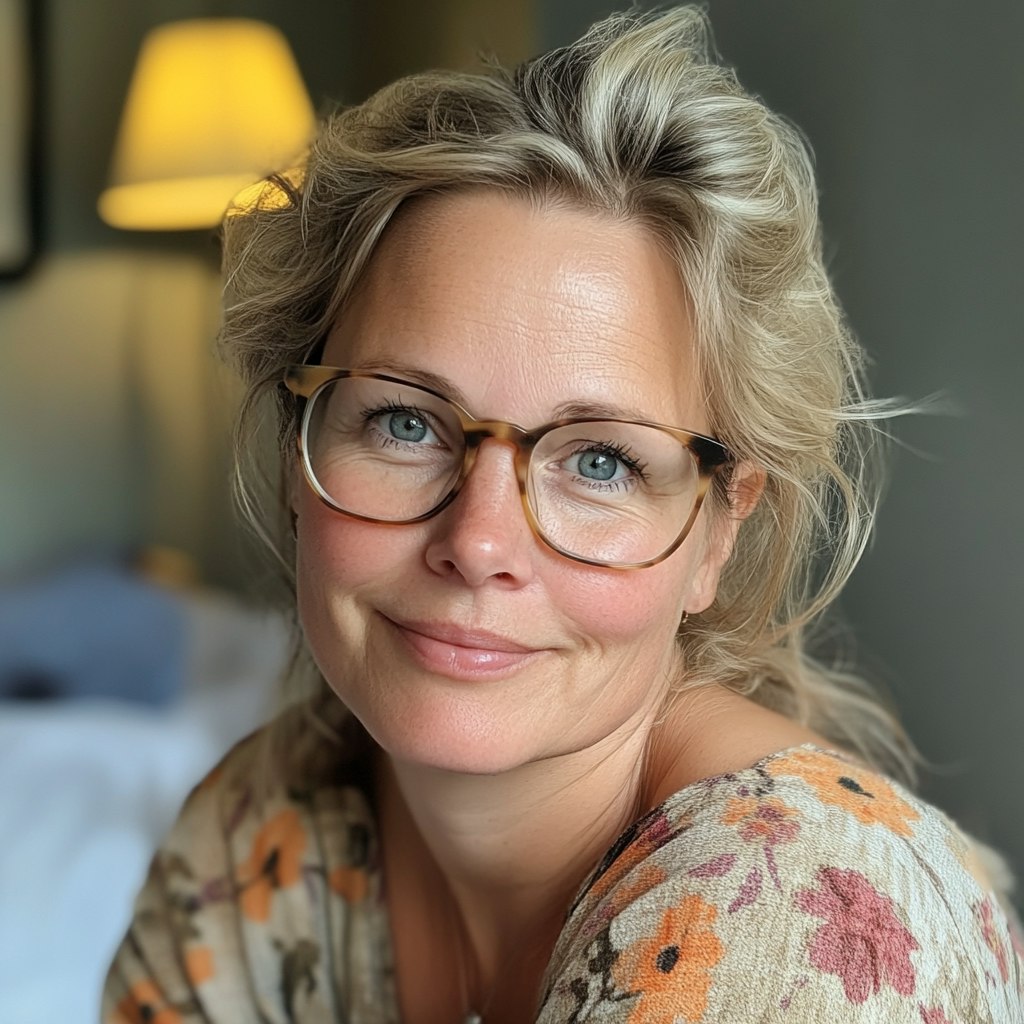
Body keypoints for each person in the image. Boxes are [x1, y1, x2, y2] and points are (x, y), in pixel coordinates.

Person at [102, 8, 1023, 1022]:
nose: (478, 542)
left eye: (599, 460)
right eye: (406, 421)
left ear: (716, 532)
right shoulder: (255, 845)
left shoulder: (795, 918)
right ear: (298, 447)